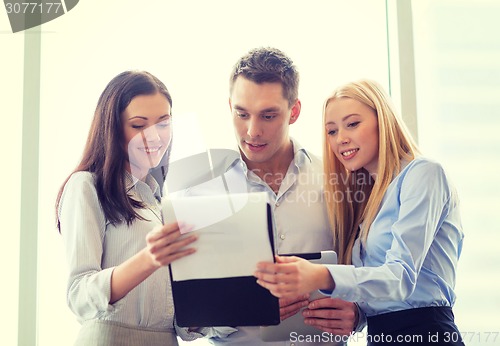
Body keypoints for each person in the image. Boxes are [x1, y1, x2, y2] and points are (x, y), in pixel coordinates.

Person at [254, 79, 465, 345]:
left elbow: (400, 277)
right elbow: (380, 295)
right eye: (331, 131)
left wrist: (319, 275)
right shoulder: (367, 197)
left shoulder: (424, 174)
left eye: (352, 124)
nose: (341, 138)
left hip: (426, 333)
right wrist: (357, 314)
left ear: (383, 121)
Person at [179, 47, 359, 345]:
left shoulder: (339, 180)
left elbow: (368, 271)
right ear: (230, 107)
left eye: (268, 115)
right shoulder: (198, 192)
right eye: (242, 114)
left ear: (295, 111)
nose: (252, 131)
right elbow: (185, 321)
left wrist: (358, 314)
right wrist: (245, 308)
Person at [56, 71, 201, 346]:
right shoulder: (87, 186)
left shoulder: (162, 201)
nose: (154, 136)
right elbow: (79, 295)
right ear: (113, 128)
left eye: (163, 123)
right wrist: (150, 258)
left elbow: (177, 319)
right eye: (138, 125)